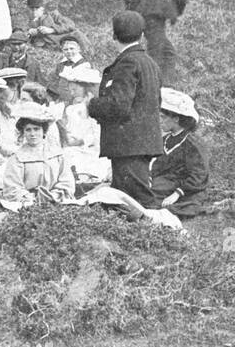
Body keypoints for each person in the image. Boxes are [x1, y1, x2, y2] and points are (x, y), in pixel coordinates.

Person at [88, 11, 163, 208]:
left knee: (140, 200)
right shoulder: (150, 63)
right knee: (125, 198)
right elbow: (156, 102)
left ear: (114, 36)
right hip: (140, 141)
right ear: (142, 34)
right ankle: (144, 235)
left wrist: (92, 105)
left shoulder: (128, 62)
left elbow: (118, 106)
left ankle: (162, 233)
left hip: (129, 143)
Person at [120, 0, 187, 87]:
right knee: (157, 51)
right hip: (155, 18)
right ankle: (151, 84)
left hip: (142, 17)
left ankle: (165, 84)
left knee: (167, 51)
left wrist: (133, 8)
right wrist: (177, 12)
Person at [0, 103, 76, 212]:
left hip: (56, 204)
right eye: (28, 130)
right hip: (27, 206)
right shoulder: (17, 158)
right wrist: (32, 199)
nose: (32, 134)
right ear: (23, 132)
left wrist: (53, 196)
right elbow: (12, 188)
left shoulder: (57, 154)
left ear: (44, 131)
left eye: (36, 129)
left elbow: (67, 182)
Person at [150, 88, 209, 219]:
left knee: (149, 200)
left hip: (186, 190)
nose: (159, 121)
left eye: (163, 117)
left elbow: (199, 174)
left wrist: (176, 194)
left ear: (176, 118)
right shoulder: (165, 140)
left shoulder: (192, 143)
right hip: (163, 185)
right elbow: (157, 166)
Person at [56, 64, 111, 188]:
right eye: (70, 90)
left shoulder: (92, 106)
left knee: (77, 158)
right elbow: (70, 127)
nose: (72, 93)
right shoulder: (70, 108)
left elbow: (97, 133)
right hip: (72, 144)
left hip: (89, 147)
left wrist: (81, 141)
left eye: (75, 90)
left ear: (85, 88)